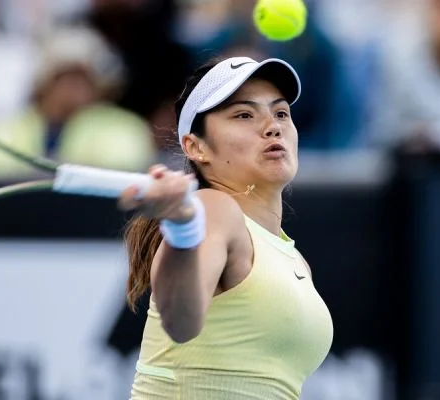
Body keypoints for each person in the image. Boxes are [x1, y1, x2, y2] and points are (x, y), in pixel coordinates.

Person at [119, 56, 334, 399]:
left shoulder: (295, 261)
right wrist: (182, 228)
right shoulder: (213, 210)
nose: (273, 126)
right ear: (196, 146)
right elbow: (181, 322)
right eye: (244, 115)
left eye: (281, 113)